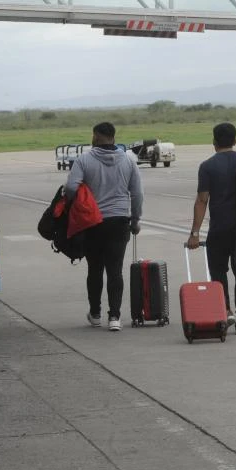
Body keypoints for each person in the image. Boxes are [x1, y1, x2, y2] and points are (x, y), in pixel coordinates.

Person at [65, 122, 143, 332]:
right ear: (113, 137)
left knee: (95, 268)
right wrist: (135, 219)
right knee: (115, 269)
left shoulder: (84, 159)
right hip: (119, 221)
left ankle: (96, 313)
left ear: (97, 136)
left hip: (93, 222)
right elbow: (137, 194)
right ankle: (115, 316)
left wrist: (79, 202)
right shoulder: (129, 160)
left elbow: (71, 187)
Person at [185, 122, 236, 334]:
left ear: (214, 142)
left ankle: (225, 310)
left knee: (218, 272)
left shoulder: (207, 166)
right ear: (235, 141)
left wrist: (194, 233)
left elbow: (202, 201)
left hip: (219, 229)